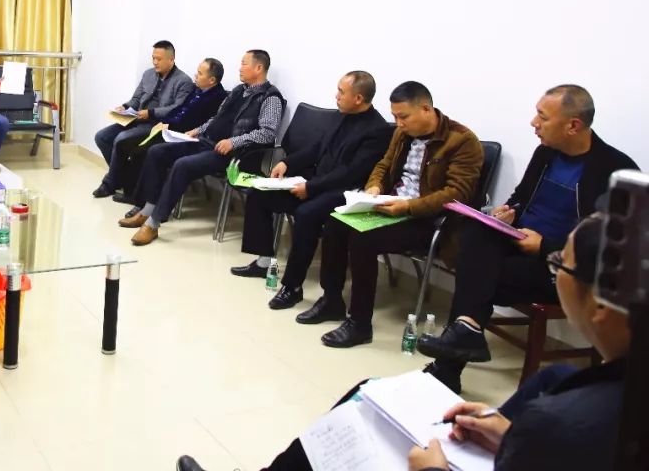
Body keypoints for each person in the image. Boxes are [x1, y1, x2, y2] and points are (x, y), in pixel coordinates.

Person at [176, 214, 629, 471]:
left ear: (602, 306)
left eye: (559, 264)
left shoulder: (562, 422)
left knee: (365, 422)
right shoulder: (559, 388)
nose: (555, 269)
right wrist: (509, 437)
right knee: (371, 393)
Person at [418, 85, 638, 392]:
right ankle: (465, 335)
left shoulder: (614, 170)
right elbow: (521, 197)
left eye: (543, 117)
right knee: (475, 233)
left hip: (558, 266)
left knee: (479, 274)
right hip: (518, 242)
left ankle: (450, 362)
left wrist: (545, 246)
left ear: (573, 125)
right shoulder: (545, 153)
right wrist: (507, 213)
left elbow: (609, 244)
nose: (534, 123)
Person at [296, 81, 482, 348]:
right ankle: (331, 300)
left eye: (403, 116)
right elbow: (383, 165)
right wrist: (375, 187)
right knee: (335, 223)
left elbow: (456, 194)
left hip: (426, 219)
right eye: (395, 116)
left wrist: (408, 207)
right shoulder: (402, 134)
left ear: (426, 109)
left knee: (363, 238)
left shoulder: (462, 141)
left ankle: (359, 323)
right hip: (391, 206)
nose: (398, 123)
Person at [230, 71, 392, 312]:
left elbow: (351, 173)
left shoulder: (377, 130)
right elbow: (317, 148)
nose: (336, 96)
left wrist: (310, 187)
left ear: (358, 98)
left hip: (342, 192)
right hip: (316, 181)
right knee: (259, 193)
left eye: (341, 92)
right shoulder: (340, 116)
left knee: (306, 215)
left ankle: (292, 287)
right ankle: (264, 261)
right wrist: (287, 163)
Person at [122, 50, 284, 246]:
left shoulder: (270, 98)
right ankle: (147, 209)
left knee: (182, 165)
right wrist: (197, 130)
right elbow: (217, 118)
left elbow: (267, 133)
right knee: (157, 152)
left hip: (233, 155)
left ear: (258, 68)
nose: (239, 68)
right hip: (207, 142)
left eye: (244, 63)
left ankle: (153, 224)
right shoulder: (238, 91)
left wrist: (234, 142)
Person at [112, 58, 228, 207]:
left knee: (146, 150)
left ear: (212, 80)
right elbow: (179, 109)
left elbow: (193, 121)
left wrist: (169, 125)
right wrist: (165, 122)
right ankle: (129, 191)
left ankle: (141, 201)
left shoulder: (218, 98)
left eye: (200, 73)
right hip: (171, 129)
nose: (195, 76)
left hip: (185, 136)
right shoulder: (197, 90)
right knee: (129, 144)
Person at [92, 40, 195, 198]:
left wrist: (151, 113)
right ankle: (125, 178)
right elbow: (136, 99)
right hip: (136, 119)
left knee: (121, 139)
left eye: (159, 59)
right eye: (153, 58)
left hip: (157, 125)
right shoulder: (148, 74)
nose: (155, 62)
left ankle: (110, 183)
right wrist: (125, 107)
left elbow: (177, 109)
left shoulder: (183, 81)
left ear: (171, 59)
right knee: (102, 137)